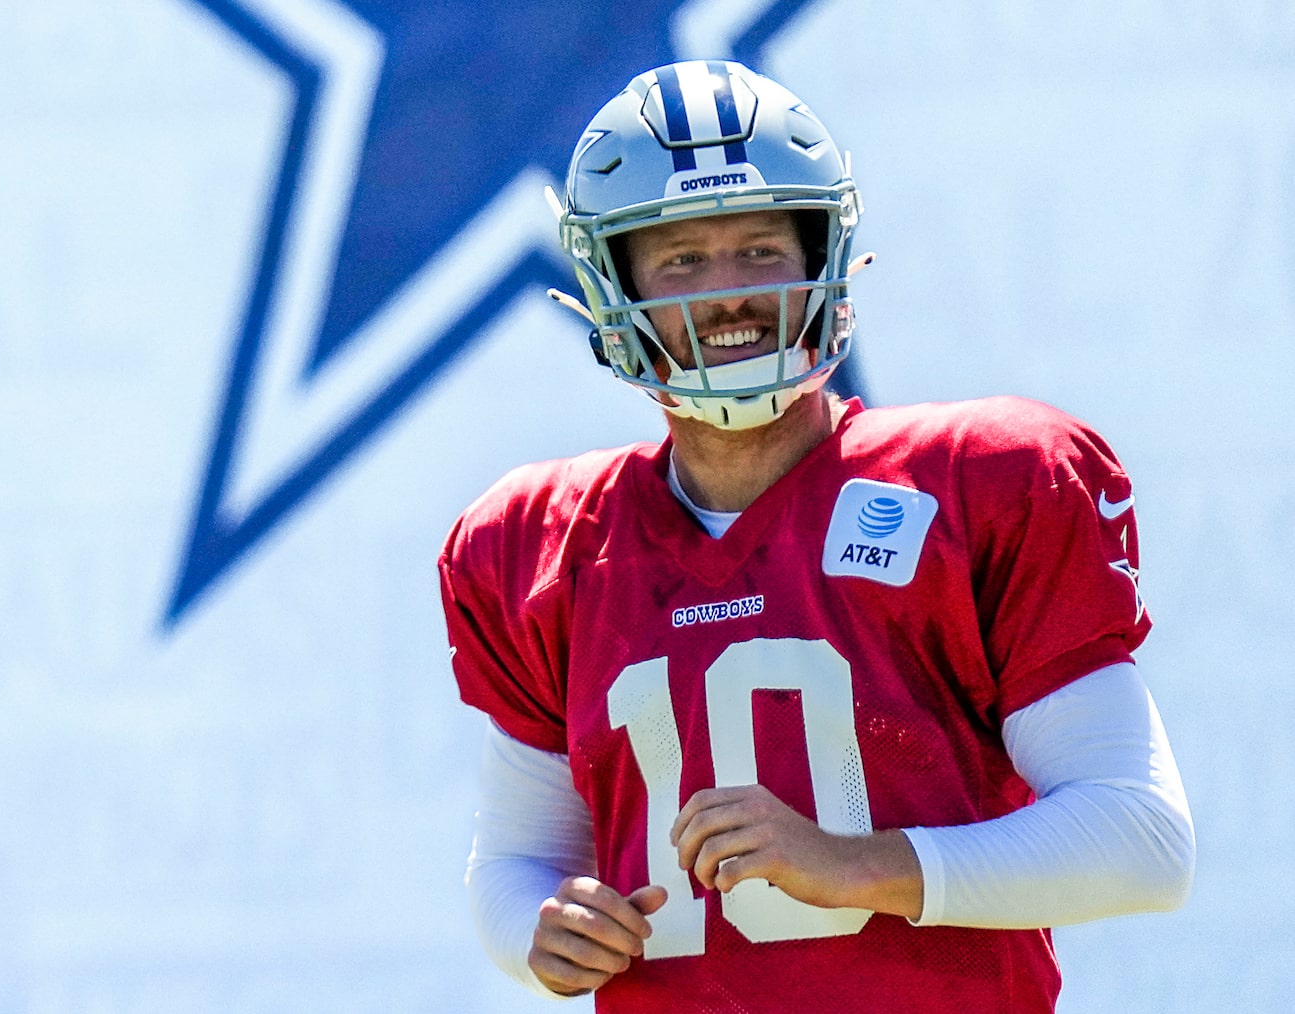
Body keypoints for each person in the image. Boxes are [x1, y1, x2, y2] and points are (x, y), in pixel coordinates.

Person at [438, 60, 1192, 1008]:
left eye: (760, 248)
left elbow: (1140, 841)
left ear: (821, 258)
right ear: (609, 285)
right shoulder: (535, 544)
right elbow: (516, 859)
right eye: (679, 260)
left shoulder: (982, 479)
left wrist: (855, 865)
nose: (725, 295)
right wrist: (540, 932)